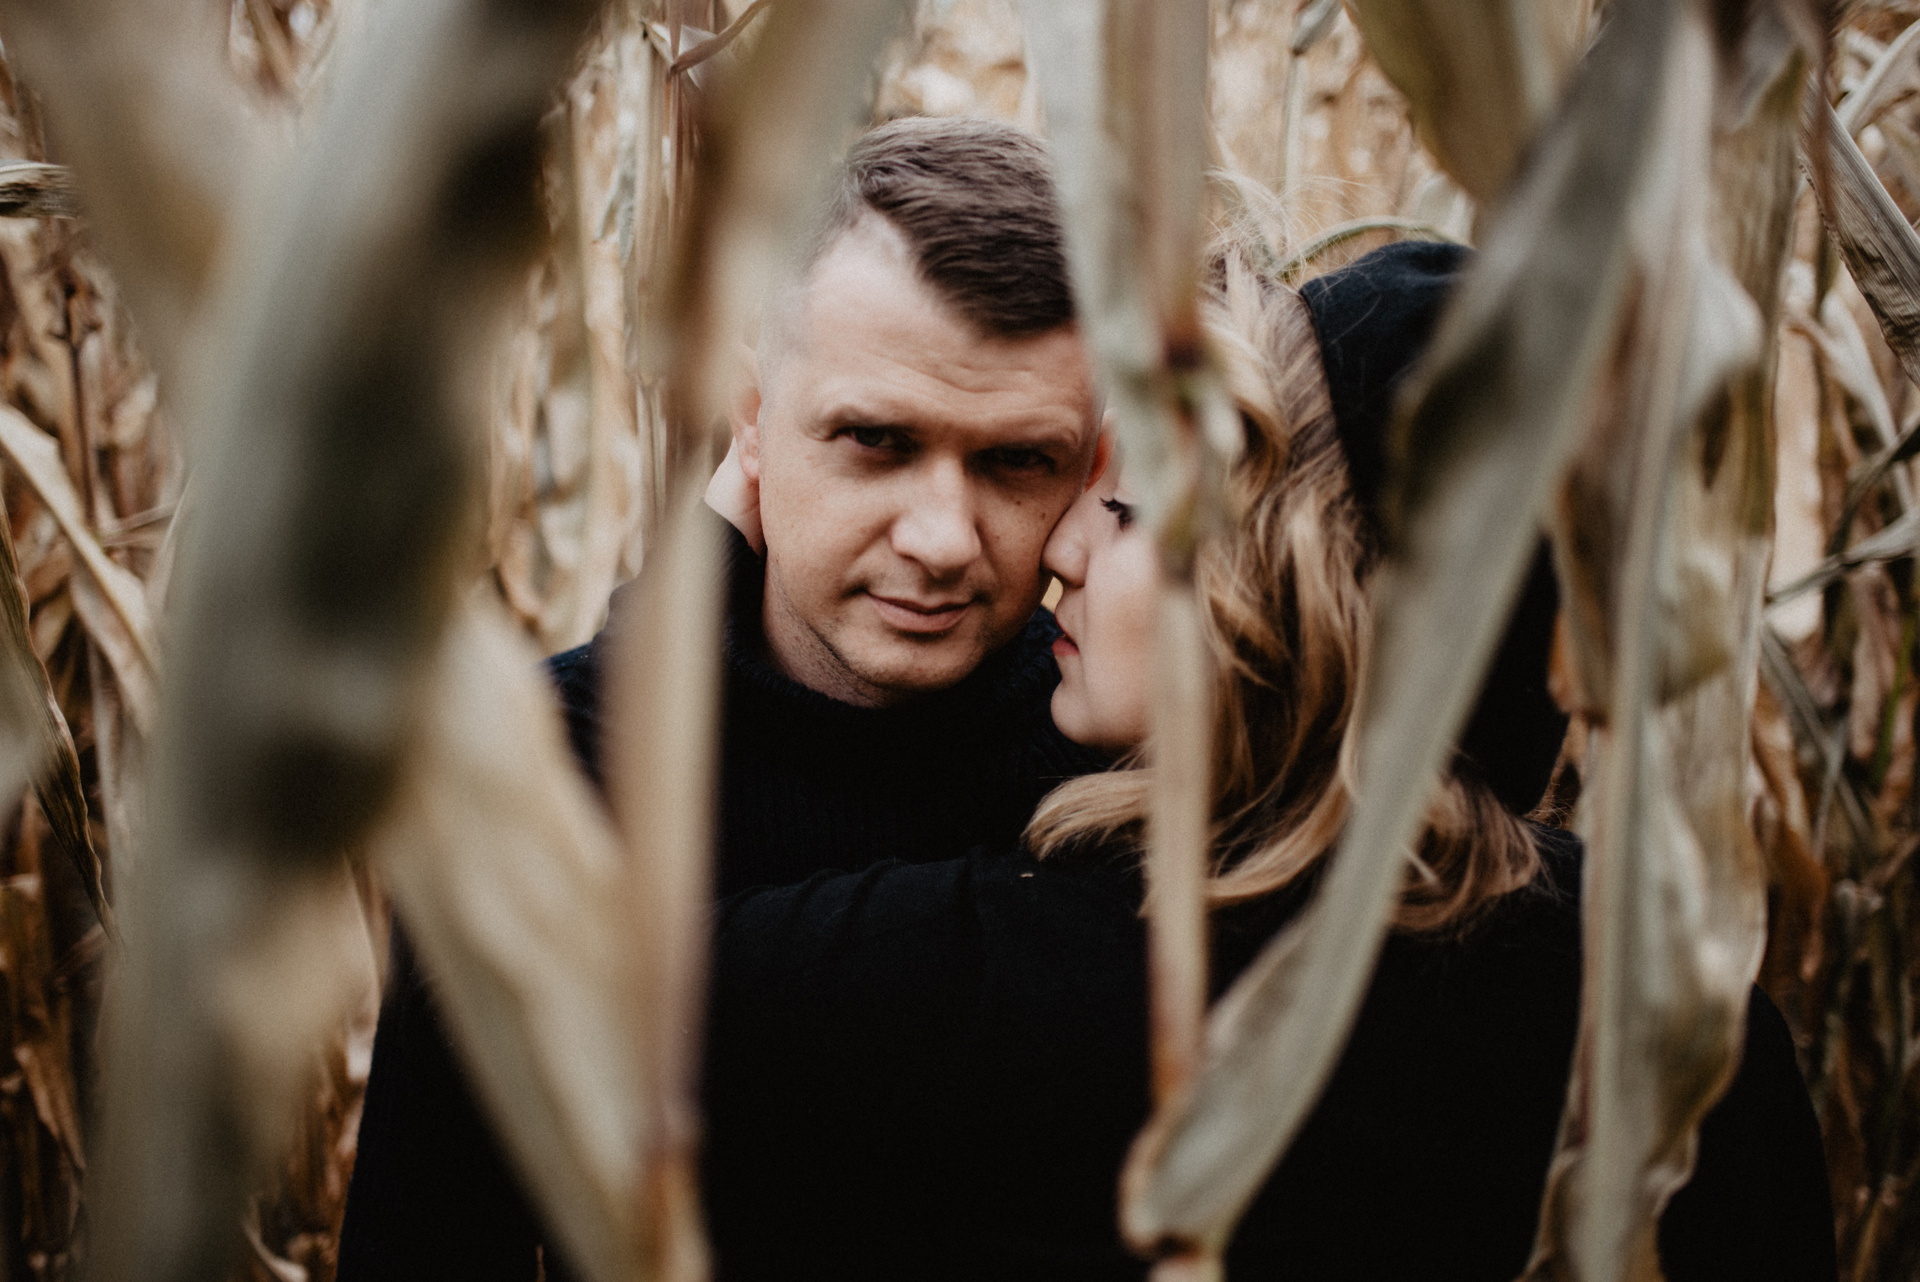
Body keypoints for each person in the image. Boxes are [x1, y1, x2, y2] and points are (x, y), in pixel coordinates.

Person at [695, 241, 1837, 1279]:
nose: (1061, 546)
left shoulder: (954, 996)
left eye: (1128, 506)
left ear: (1289, 598)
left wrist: (698, 587)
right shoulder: (1688, 1025)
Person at [339, 116, 1113, 1280]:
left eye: (1017, 460)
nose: (944, 539)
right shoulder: (543, 777)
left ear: (1093, 464)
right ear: (751, 419)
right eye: (877, 439)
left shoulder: (1127, 775)